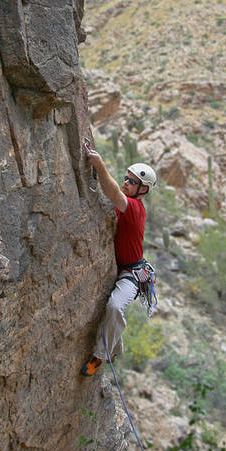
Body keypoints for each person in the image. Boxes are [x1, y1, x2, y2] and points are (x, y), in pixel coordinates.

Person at [80, 146, 157, 377]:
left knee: (115, 306)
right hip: (122, 268)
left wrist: (99, 165)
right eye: (126, 178)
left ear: (143, 190)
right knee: (113, 310)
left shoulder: (134, 209)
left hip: (131, 274)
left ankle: (99, 357)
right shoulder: (127, 204)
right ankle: (114, 348)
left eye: (132, 182)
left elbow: (112, 192)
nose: (126, 183)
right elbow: (109, 193)